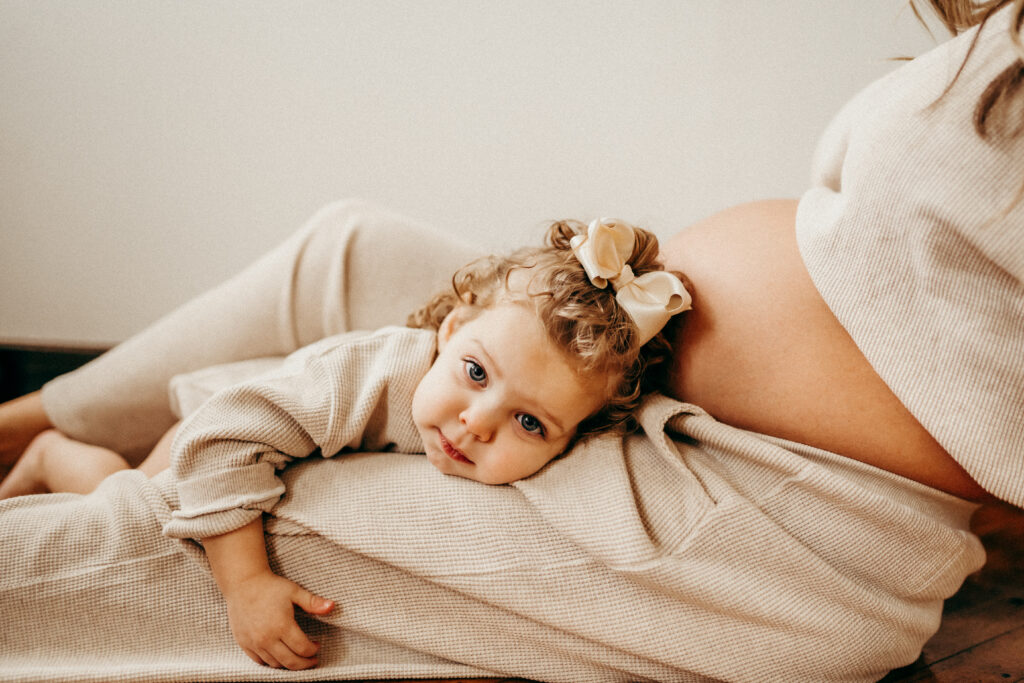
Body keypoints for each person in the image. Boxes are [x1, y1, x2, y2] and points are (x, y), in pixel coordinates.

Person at [0, 1, 1020, 681]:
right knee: (349, 250)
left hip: (772, 520)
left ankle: (87, 488)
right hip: (639, 374)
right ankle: (25, 431)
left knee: (264, 525)